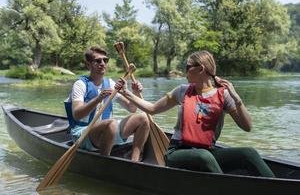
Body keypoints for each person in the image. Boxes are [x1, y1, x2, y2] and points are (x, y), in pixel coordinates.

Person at [115, 50, 275, 177]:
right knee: (203, 157)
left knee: (248, 153)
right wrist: (126, 92)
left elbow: (247, 127)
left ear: (200, 69)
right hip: (177, 152)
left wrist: (237, 100)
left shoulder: (224, 95)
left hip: (208, 152)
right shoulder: (182, 91)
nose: (184, 71)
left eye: (187, 67)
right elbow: (152, 109)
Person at [64, 46, 150, 162]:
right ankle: (104, 162)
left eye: (105, 60)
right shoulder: (80, 84)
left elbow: (132, 108)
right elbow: (77, 114)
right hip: (82, 134)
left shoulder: (109, 83)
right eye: (98, 61)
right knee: (111, 123)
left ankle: (135, 162)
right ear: (88, 65)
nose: (102, 63)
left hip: (109, 130)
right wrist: (98, 98)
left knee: (143, 118)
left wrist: (134, 92)